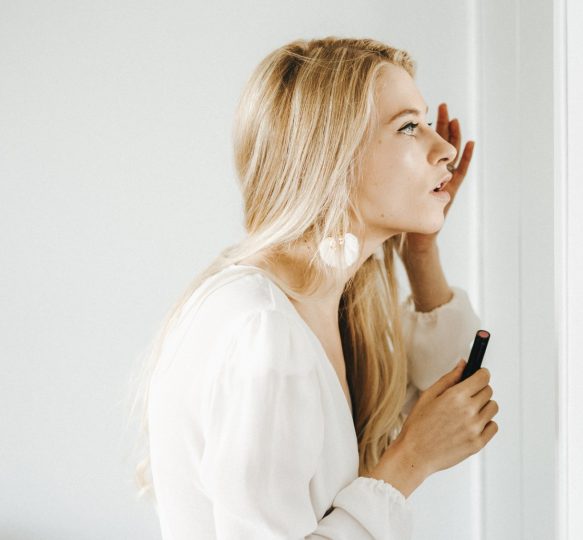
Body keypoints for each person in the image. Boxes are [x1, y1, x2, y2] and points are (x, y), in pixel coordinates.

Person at [127, 36, 499, 539]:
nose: (447, 149)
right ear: (334, 158)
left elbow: (450, 387)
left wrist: (421, 249)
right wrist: (408, 462)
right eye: (409, 127)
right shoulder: (267, 330)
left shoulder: (319, 302)